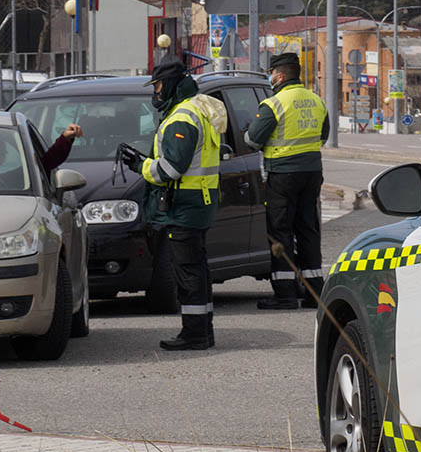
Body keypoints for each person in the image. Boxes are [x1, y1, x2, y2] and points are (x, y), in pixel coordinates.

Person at [120, 56, 227, 350]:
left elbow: (170, 170)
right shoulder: (196, 110)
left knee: (188, 272)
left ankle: (194, 334)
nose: (155, 92)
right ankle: (203, 331)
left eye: (156, 86)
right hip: (199, 203)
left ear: (168, 85)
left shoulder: (181, 118)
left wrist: (140, 166)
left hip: (184, 208)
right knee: (198, 269)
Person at [246, 51, 329, 310]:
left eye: (271, 73)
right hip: (312, 172)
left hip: (283, 173)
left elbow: (252, 140)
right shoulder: (316, 100)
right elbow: (322, 136)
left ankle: (285, 294)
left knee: (280, 230)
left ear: (280, 75)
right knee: (308, 229)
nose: (271, 78)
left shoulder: (274, 104)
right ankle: (314, 292)